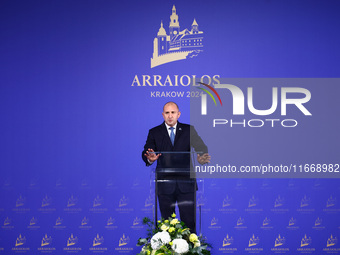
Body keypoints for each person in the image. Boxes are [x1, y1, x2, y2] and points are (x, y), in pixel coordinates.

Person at [142, 101, 210, 232]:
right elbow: (146, 151)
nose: (170, 116)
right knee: (166, 225)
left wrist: (201, 158)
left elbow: (202, 148)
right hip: (164, 185)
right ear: (163, 115)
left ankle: (190, 251)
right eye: (167, 113)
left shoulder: (188, 130)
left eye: (173, 112)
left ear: (178, 114)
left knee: (189, 223)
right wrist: (150, 158)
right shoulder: (154, 132)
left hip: (186, 184)